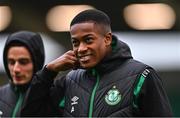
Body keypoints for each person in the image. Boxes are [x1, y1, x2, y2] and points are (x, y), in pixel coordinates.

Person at [22, 9, 173, 117]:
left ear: (107, 39)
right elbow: (30, 114)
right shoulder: (70, 81)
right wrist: (48, 71)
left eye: (88, 40)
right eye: (75, 42)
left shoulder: (141, 76)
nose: (81, 49)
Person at [0, 31, 45, 117]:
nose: (16, 69)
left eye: (23, 62)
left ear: (37, 63)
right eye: (11, 62)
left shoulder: (53, 95)